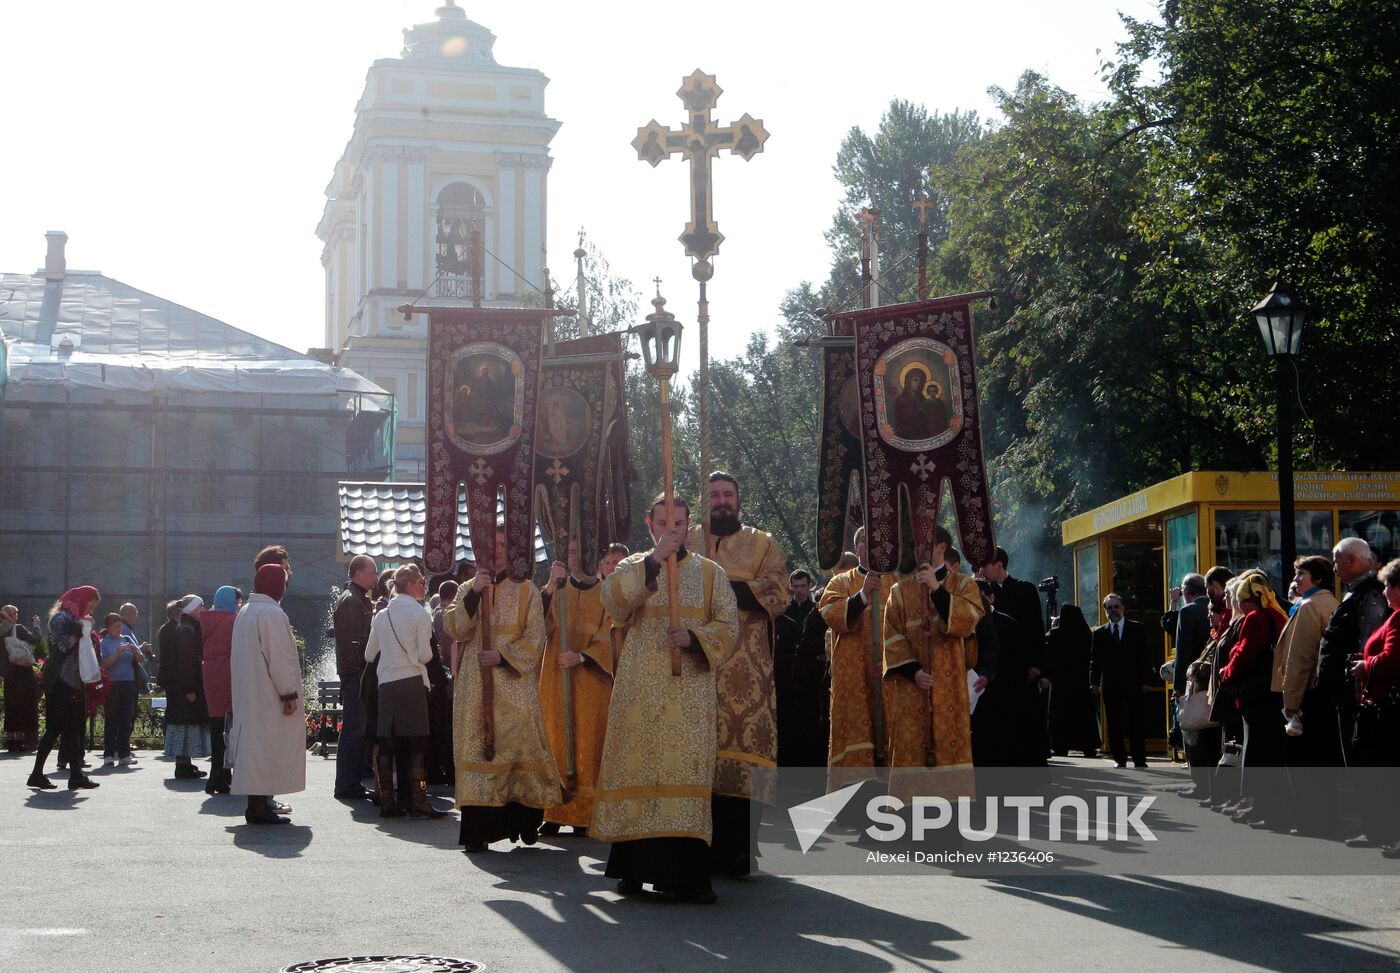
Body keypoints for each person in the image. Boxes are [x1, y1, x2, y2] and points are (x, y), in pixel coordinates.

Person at [593, 494, 738, 904]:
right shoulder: (631, 566)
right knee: (641, 773)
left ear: (689, 524)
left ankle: (688, 877)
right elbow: (614, 604)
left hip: (689, 693)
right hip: (639, 691)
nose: (670, 530)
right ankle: (633, 870)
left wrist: (694, 638)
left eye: (677, 523)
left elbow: (729, 626)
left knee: (685, 776)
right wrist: (653, 562)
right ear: (649, 523)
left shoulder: (711, 574)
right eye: (662, 522)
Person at [687, 471, 788, 876]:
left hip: (750, 670)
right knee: (698, 752)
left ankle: (746, 845)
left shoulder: (763, 544)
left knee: (750, 752)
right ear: (704, 500)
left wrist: (721, 587)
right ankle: (696, 842)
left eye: (728, 494)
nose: (721, 501)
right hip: (698, 664)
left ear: (738, 499)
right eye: (714, 495)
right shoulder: (687, 542)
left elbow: (778, 594)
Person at [443, 526, 562, 852]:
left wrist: (503, 655)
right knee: (479, 749)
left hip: (513, 685)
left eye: (502, 544)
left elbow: (536, 637)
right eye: (490, 544)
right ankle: (478, 832)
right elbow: (454, 627)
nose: (496, 550)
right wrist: (472, 595)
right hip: (476, 686)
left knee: (520, 748)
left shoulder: (527, 591)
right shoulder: (469, 587)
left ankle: (523, 821)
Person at [883, 524, 984, 795]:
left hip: (948, 691)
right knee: (911, 755)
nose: (918, 552)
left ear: (941, 547)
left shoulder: (964, 584)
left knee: (948, 756)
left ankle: (948, 830)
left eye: (924, 545)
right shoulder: (899, 592)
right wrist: (913, 671)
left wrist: (936, 589)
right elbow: (892, 638)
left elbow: (968, 621)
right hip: (912, 689)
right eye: (914, 546)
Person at [538, 541, 627, 835]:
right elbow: (538, 625)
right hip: (555, 675)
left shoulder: (607, 595)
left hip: (590, 679)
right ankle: (552, 811)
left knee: (588, 742)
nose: (577, 560)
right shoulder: (559, 589)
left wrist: (582, 657)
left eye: (582, 553)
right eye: (572, 554)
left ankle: (584, 814)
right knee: (555, 737)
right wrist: (550, 586)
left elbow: (611, 634)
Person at [363, 563, 446, 820]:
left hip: (386, 683)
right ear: (410, 585)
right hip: (411, 681)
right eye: (421, 582)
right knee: (417, 745)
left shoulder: (382, 615)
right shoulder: (421, 615)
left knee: (387, 744)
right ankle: (419, 799)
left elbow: (369, 654)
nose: (424, 586)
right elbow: (425, 654)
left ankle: (388, 801)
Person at [229, 563, 306, 825]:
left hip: (250, 692)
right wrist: (288, 693)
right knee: (266, 749)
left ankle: (257, 803)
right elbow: (279, 658)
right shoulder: (271, 613)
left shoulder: (247, 611)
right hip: (268, 695)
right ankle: (260, 806)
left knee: (254, 749)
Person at [1271, 556, 1342, 835]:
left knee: (1303, 764)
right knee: (1323, 763)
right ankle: (1325, 818)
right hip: (1323, 695)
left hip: (1307, 696)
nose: (1296, 579)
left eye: (1302, 574)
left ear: (1319, 579)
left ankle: (1310, 820)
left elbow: (1299, 659)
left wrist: (1290, 704)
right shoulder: (1331, 602)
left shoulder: (1310, 606)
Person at [818, 527, 894, 787]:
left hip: (890, 675)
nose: (867, 546)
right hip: (854, 680)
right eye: (862, 542)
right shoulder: (840, 582)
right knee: (856, 738)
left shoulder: (896, 582)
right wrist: (862, 595)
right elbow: (831, 613)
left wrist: (886, 664)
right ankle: (852, 803)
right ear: (857, 547)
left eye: (872, 541)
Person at [1217, 571, 1289, 827]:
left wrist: (1225, 673)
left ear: (1249, 600)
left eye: (1241, 600)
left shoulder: (1256, 618)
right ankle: (1269, 807)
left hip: (1255, 694)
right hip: (1272, 692)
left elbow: (1244, 654)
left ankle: (1262, 807)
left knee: (1257, 752)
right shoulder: (1276, 615)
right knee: (1270, 751)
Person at [1319, 537, 1389, 774]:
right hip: (1346, 690)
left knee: (1361, 760)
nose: (1334, 567)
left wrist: (1359, 686)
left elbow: (1368, 641)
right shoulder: (1357, 592)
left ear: (1350, 560)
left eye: (1336, 561)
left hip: (1356, 694)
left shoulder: (1370, 593)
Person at [1346, 557, 1400, 852]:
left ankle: (1385, 831)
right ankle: (1381, 831)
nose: (1384, 593)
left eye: (1388, 586)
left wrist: (1367, 665)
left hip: (1387, 707)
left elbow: (1393, 658)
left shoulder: (1399, 618)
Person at [29, 586, 102, 790]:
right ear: (80, 600)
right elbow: (63, 646)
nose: (92, 609)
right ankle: (38, 774)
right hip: (60, 680)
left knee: (71, 729)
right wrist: (81, 629)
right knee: (56, 728)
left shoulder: (73, 618)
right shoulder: (60, 619)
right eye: (91, 604)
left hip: (72, 680)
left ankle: (75, 775)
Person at [981, 547, 1048, 765]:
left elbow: (1037, 629)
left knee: (1025, 721)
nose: (982, 570)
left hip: (1022, 669)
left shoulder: (1025, 589)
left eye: (986, 565)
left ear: (999, 565)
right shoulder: (985, 595)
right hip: (995, 671)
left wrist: (1037, 665)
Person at [1090, 593, 1156, 768]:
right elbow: (1095, 661)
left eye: (1116, 606)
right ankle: (1120, 759)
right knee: (1114, 724)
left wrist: (1147, 681)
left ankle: (1139, 759)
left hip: (1133, 683)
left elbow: (1145, 657)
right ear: (1105, 611)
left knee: (1137, 722)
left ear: (1123, 608)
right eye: (1109, 608)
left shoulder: (1137, 629)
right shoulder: (1100, 634)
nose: (1113, 610)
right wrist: (1094, 682)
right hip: (1111, 685)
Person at [774, 568, 829, 769]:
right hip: (786, 675)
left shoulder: (817, 611)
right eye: (796, 586)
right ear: (790, 587)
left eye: (803, 586)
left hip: (811, 675)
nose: (799, 590)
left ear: (810, 586)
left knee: (811, 717)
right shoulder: (783, 613)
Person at [332, 555, 377, 801]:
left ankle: (351, 782)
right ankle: (347, 784)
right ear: (358, 573)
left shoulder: (357, 598)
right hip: (355, 674)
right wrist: (362, 671)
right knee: (353, 730)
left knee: (356, 729)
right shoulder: (351, 601)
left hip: (356, 673)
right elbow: (353, 643)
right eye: (372, 573)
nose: (376, 577)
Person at [970, 581, 1025, 767]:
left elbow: (1016, 659)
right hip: (976, 687)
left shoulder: (1008, 623)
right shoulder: (968, 622)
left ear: (990, 597)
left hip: (1003, 689)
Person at [162, 595, 211, 780]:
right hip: (185, 687)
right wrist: (189, 688)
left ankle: (185, 764)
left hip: (180, 686)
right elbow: (186, 661)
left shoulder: (186, 626)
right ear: (192, 608)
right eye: (200, 606)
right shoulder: (187, 629)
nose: (203, 609)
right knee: (185, 723)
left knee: (185, 723)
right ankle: (182, 766)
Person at [1045, 604, 1099, 758]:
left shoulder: (1056, 634)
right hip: (1081, 683)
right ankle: (1088, 746)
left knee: (1061, 716)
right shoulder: (1086, 633)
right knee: (1083, 716)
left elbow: (1048, 655)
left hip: (1061, 683)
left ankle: (1060, 746)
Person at [200, 586, 239, 795]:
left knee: (216, 726)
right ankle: (220, 775)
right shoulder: (232, 621)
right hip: (228, 675)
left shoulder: (208, 620)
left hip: (211, 674)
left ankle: (218, 775)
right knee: (229, 728)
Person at [98, 612, 140, 767]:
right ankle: (108, 754)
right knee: (111, 718)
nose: (118, 629)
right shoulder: (104, 643)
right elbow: (104, 664)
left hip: (128, 682)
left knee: (125, 718)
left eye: (119, 626)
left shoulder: (126, 639)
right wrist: (117, 652)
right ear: (108, 628)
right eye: (115, 626)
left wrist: (136, 652)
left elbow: (141, 659)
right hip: (112, 683)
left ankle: (124, 754)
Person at [2, 605, 43, 753]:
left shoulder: (1, 630)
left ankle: (11, 740)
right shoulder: (18, 629)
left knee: (11, 706)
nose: (17, 616)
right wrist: (36, 626)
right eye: (16, 613)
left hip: (8, 673)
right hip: (23, 672)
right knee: (25, 704)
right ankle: (24, 740)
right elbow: (36, 640)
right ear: (12, 615)